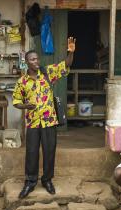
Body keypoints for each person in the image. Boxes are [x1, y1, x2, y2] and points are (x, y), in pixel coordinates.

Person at [13, 37, 76, 199]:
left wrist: (71, 52)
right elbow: (16, 102)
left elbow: (66, 65)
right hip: (33, 122)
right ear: (26, 62)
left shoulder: (47, 73)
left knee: (49, 151)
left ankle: (47, 180)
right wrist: (26, 106)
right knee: (32, 152)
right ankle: (30, 182)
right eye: (32, 59)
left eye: (36, 59)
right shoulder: (22, 82)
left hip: (49, 121)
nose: (35, 61)